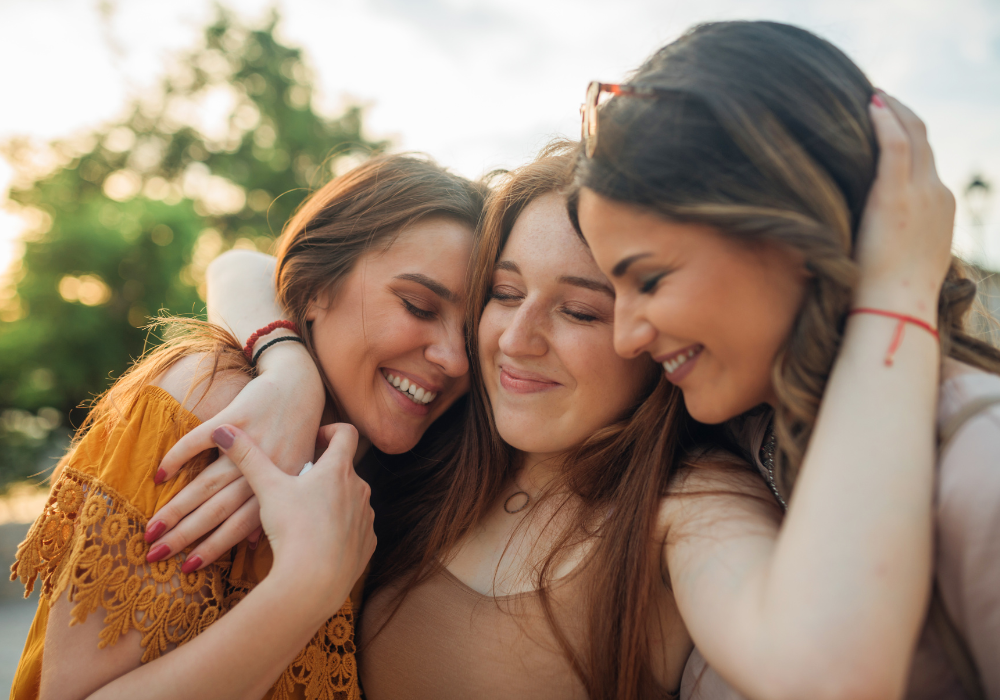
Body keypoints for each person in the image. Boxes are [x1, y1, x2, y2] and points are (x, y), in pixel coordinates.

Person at [571, 20, 1000, 700]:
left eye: (649, 280)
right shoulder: (738, 445)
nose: (625, 338)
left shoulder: (979, 468)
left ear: (791, 233)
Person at [9, 153, 484, 700]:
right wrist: (308, 584)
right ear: (316, 287)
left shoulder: (394, 465)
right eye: (418, 306)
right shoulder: (207, 403)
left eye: (471, 334)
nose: (455, 359)